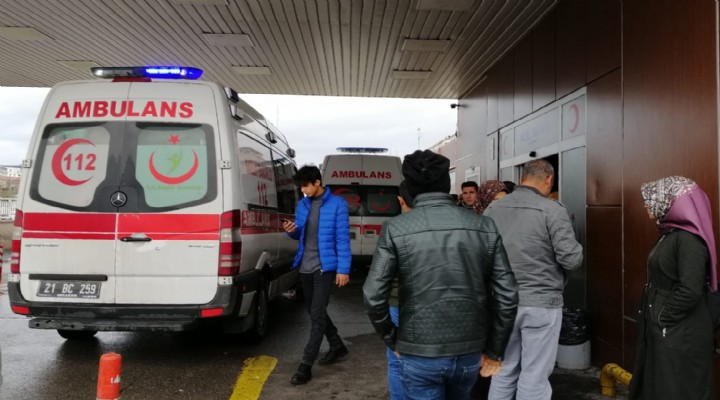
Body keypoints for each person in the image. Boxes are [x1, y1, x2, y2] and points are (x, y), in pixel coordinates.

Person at [363, 150, 519, 400]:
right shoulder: (483, 225)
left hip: (418, 350)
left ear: (411, 188)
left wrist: (391, 339)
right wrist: (494, 351)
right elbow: (507, 294)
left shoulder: (395, 228)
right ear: (447, 183)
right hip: (469, 349)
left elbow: (373, 295)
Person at [484, 159, 583, 400]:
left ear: (522, 179)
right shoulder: (552, 210)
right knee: (534, 375)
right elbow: (571, 260)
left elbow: (481, 255)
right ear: (549, 179)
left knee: (503, 371)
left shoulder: (493, 209)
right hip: (542, 303)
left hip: (502, 303)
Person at [629, 176, 717, 400]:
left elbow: (690, 289)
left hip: (679, 332)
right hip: (669, 330)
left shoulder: (688, 240)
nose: (647, 205)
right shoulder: (669, 234)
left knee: (676, 388)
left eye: (652, 200)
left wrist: (662, 318)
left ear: (670, 202)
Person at [283, 165, 352, 385]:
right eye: (300, 187)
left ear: (317, 182)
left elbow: (342, 239)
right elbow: (300, 235)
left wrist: (343, 269)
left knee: (317, 315)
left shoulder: (338, 204)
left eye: (306, 186)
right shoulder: (303, 204)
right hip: (305, 266)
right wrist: (292, 230)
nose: (303, 190)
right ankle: (337, 345)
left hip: (324, 267)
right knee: (315, 312)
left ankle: (305, 365)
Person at [385, 180, 413, 400]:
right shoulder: (438, 225)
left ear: (400, 200)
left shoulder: (392, 228)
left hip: (396, 301)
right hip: (428, 303)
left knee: (396, 360)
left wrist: (383, 329)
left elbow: (379, 277)